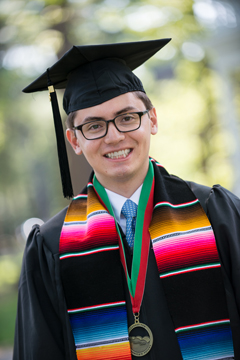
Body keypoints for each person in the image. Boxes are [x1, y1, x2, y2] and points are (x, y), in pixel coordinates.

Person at [13, 39, 240, 360]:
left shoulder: (214, 213)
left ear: (153, 119)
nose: (114, 136)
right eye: (94, 125)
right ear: (74, 140)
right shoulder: (51, 245)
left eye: (127, 117)